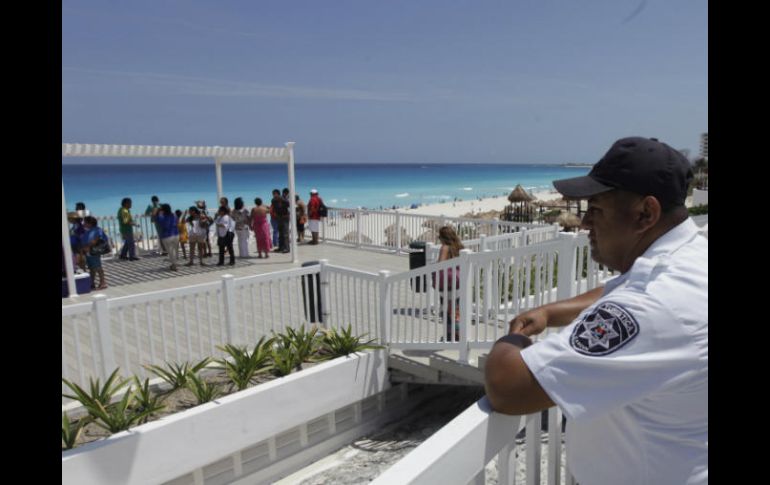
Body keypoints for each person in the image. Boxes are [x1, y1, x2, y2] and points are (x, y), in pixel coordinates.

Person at [483, 137, 707, 485]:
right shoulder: (691, 256)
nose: (586, 222)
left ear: (646, 213)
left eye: (597, 210)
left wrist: (512, 338)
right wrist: (555, 311)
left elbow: (508, 387)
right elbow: (631, 286)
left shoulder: (653, 303)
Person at [436, 226, 463, 342]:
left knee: (447, 310)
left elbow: (440, 264)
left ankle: (452, 335)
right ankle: (457, 333)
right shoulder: (459, 247)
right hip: (459, 281)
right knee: (456, 310)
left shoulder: (445, 248)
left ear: (443, 237)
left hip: (447, 284)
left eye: (439, 237)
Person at [80, 216, 108, 290]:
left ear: (90, 223)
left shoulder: (97, 230)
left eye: (85, 222)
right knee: (92, 268)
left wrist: (88, 246)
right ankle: (92, 283)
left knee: (97, 267)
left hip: (93, 251)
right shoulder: (88, 230)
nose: (83, 223)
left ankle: (103, 282)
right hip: (88, 251)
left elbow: (97, 239)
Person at [156, 204, 179, 271]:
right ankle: (174, 264)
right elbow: (177, 222)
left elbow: (160, 223)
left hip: (167, 236)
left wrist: (159, 212)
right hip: (176, 234)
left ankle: (174, 265)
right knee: (175, 250)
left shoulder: (162, 216)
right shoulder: (174, 215)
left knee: (170, 252)